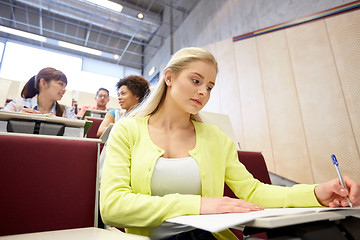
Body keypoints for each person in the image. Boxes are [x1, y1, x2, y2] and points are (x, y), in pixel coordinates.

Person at [100, 47, 360, 240]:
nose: (203, 91)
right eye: (196, 80)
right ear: (169, 77)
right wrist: (201, 205)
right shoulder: (127, 130)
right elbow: (113, 206)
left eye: (210, 86)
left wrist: (316, 193)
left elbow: (255, 192)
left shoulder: (215, 138)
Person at [2, 67, 76, 119]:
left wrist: (59, 122)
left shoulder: (67, 112)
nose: (64, 90)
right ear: (43, 83)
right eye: (60, 84)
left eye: (65, 86)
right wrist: (16, 117)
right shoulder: (18, 104)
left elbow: (78, 136)